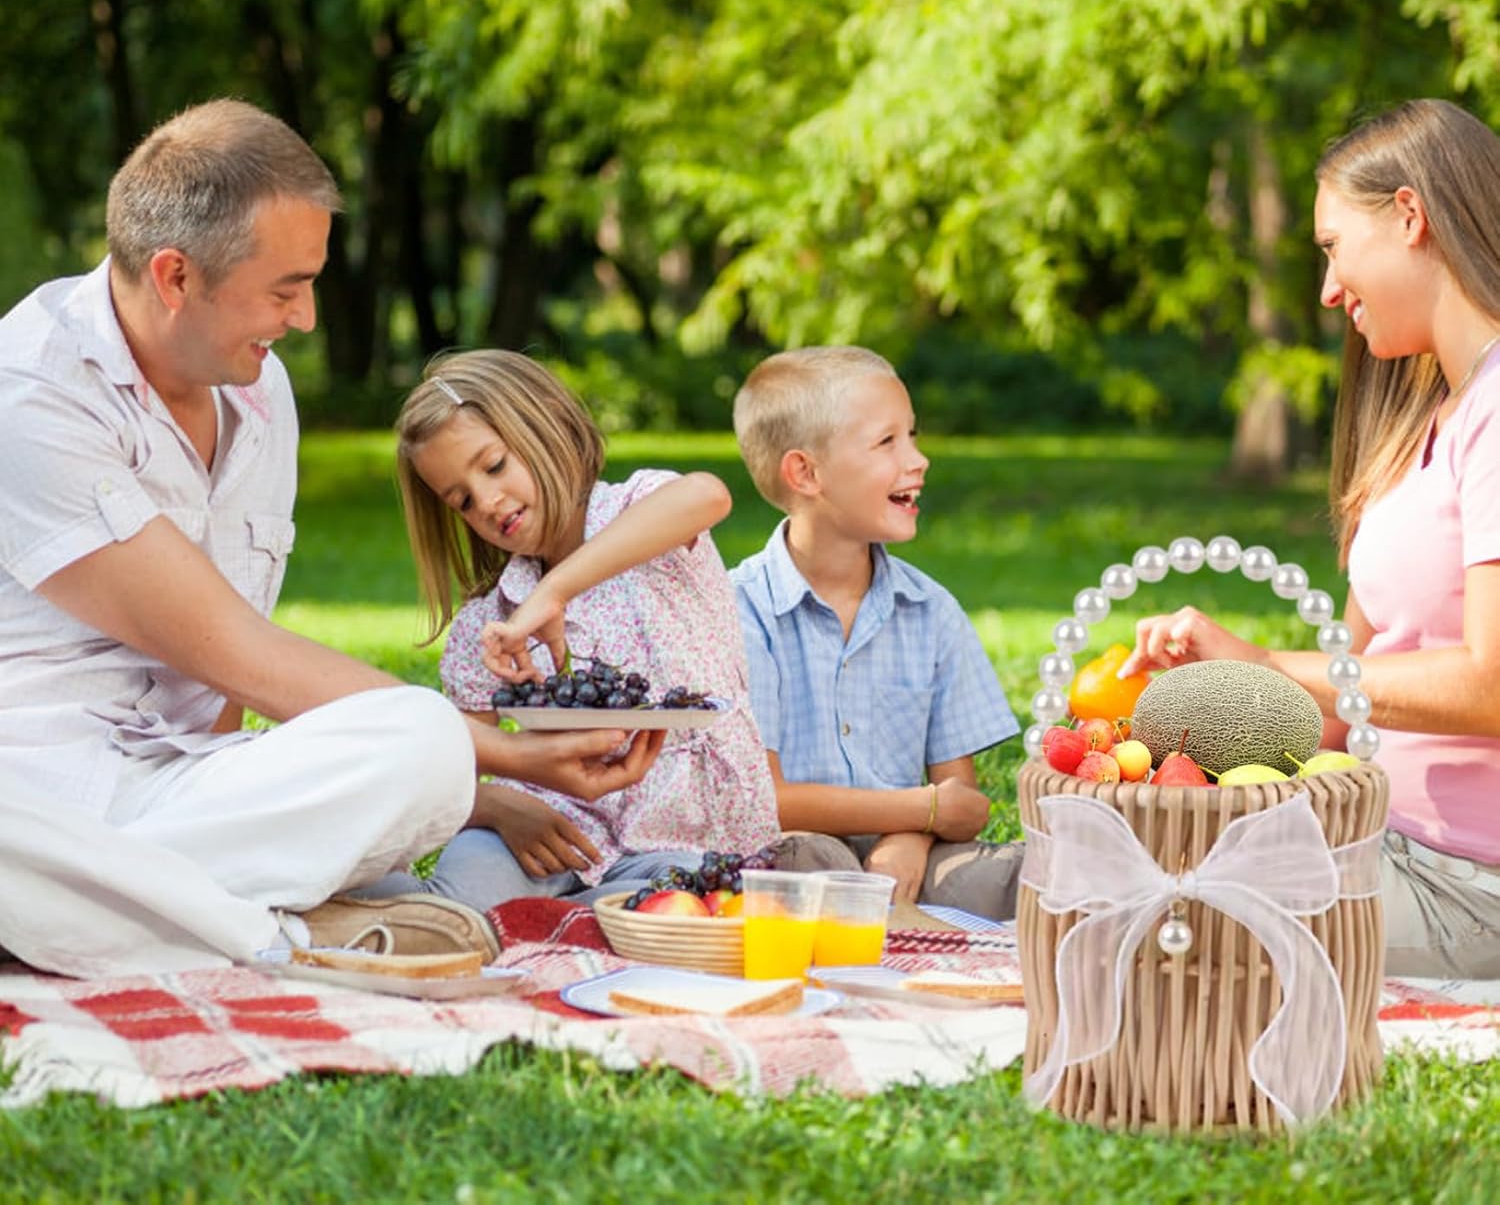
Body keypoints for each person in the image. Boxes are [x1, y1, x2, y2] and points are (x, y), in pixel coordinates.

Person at [0, 100, 656, 979]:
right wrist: (507, 751)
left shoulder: (259, 395)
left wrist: (459, 767)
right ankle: (277, 932)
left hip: (186, 791)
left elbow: (223, 689)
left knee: (419, 744)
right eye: (285, 289)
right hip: (41, 795)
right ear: (174, 277)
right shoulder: (30, 396)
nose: (306, 318)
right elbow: (238, 650)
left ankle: (172, 911)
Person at [1121, 99, 1500, 980]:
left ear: (1410, 217)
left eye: (1333, 247)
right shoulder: (1429, 424)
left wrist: (1271, 662)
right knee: (1102, 864)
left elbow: (1490, 682)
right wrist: (1217, 691)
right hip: (1377, 838)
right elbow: (1348, 703)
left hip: (1467, 887)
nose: (1328, 291)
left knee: (1150, 924)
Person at [349, 350, 781, 912]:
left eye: (495, 465)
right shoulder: (488, 624)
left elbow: (707, 495)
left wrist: (553, 593)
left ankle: (566, 920)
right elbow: (459, 767)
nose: (487, 502)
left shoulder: (645, 516)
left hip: (686, 837)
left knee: (679, 912)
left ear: (545, 423)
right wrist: (499, 807)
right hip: (540, 835)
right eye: (462, 500)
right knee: (449, 911)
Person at [729, 346, 1024, 919]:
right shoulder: (740, 611)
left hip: (910, 859)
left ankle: (911, 936)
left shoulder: (931, 611)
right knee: (805, 866)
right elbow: (768, 803)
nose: (918, 459)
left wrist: (911, 837)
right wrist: (920, 813)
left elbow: (960, 804)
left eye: (911, 436)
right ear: (805, 473)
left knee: (1029, 873)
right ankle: (886, 936)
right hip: (794, 857)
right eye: (887, 442)